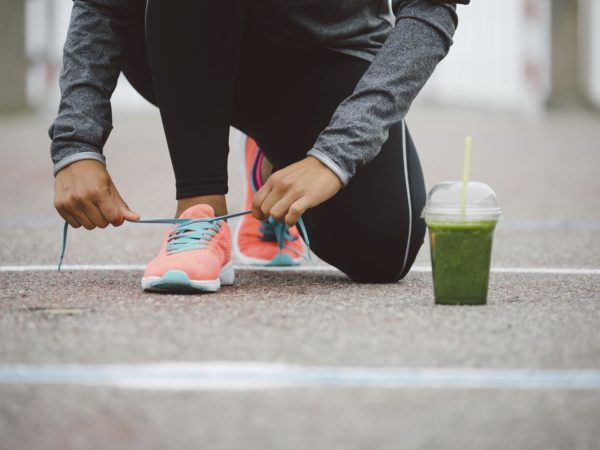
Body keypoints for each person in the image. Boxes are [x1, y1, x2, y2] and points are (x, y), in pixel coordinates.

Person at [50, 0, 468, 292]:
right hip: (185, 37)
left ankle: (273, 154)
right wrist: (77, 144)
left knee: (382, 254)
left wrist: (335, 155)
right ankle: (200, 215)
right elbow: (102, 6)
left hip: (331, 53)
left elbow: (431, 8)